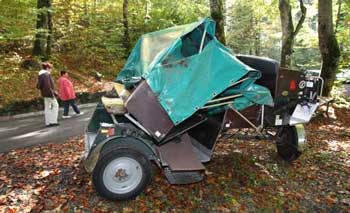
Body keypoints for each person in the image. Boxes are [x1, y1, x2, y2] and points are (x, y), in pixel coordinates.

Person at [37, 62, 59, 127]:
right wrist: (52, 94)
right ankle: (53, 121)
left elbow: (38, 86)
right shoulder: (46, 75)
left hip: (44, 93)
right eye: (50, 68)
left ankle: (48, 122)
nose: (51, 70)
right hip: (49, 93)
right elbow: (48, 86)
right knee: (56, 105)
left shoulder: (40, 75)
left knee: (47, 107)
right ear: (47, 68)